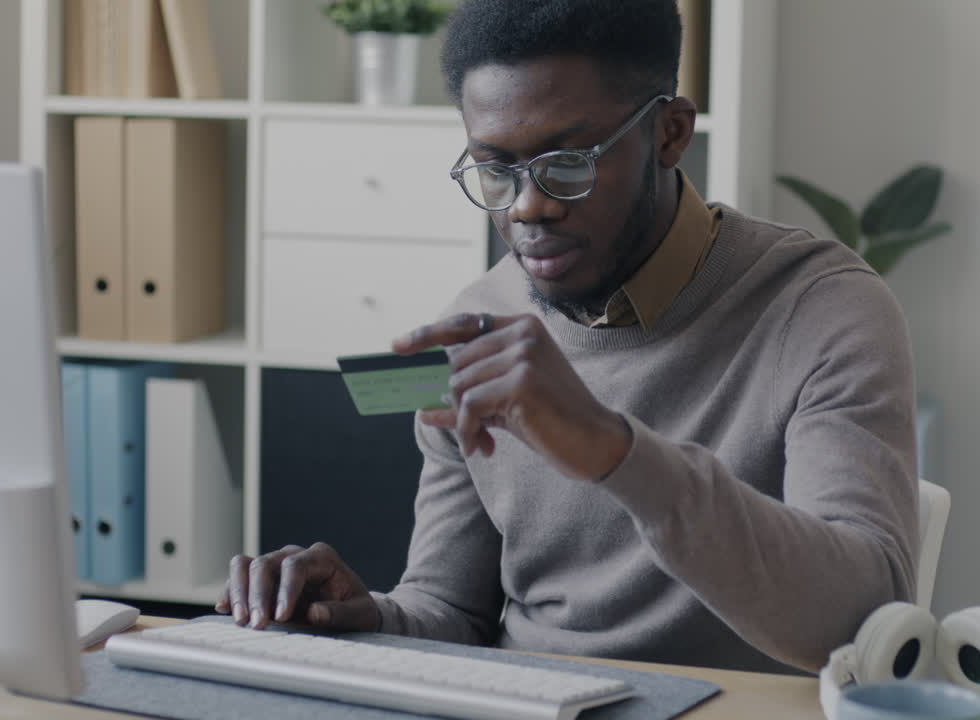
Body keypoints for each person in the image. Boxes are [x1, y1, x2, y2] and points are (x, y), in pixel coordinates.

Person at [216, 0, 919, 674]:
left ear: (670, 133)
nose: (529, 206)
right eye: (495, 170)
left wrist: (614, 450)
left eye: (567, 164)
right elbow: (451, 611)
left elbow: (866, 623)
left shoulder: (821, 307)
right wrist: (362, 618)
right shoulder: (479, 323)